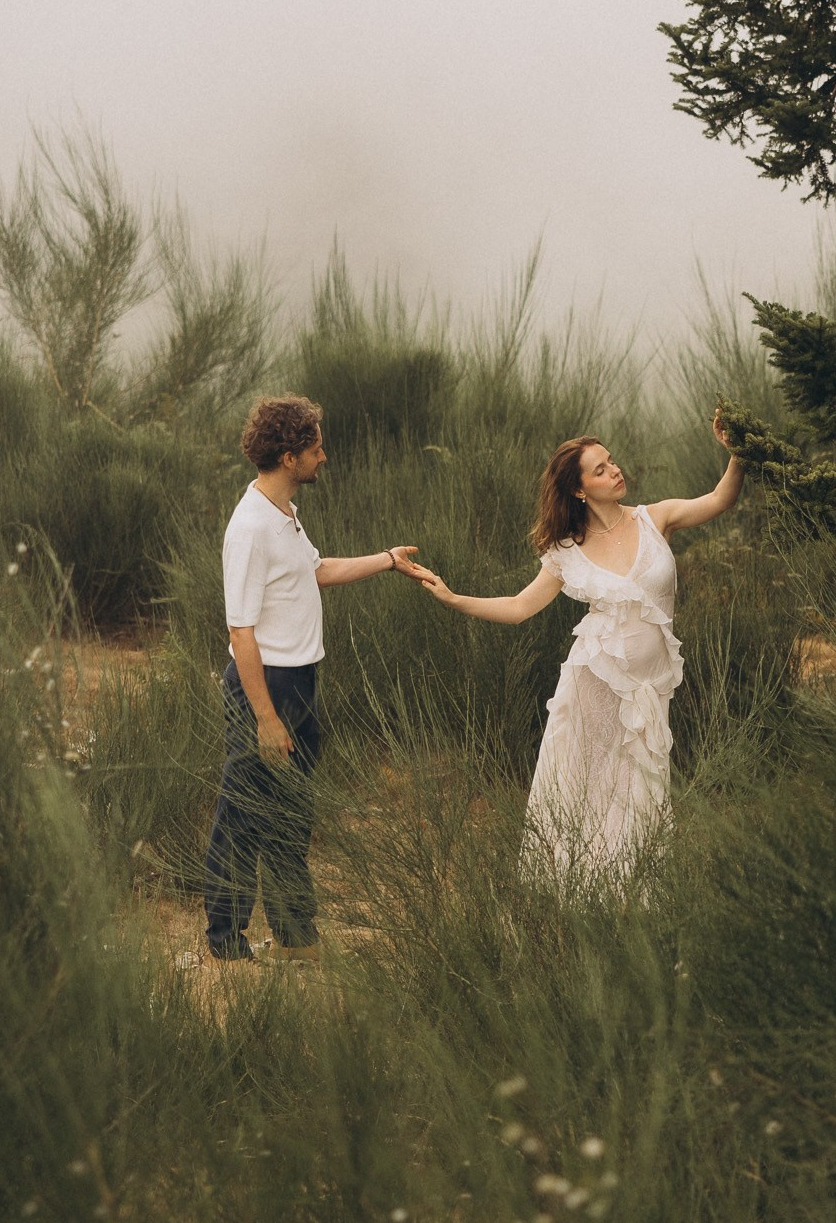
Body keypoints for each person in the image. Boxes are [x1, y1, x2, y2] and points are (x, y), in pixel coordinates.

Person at [401, 420, 741, 880]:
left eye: (612, 462)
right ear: (580, 490)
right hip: (591, 689)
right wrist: (452, 597)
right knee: (587, 794)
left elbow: (720, 499)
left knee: (640, 791)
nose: (615, 471)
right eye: (600, 470)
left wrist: (738, 453)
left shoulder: (654, 517)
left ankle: (635, 895)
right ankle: (583, 900)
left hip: (648, 688)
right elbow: (520, 607)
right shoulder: (566, 551)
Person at [203, 392, 414, 964]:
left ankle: (297, 936)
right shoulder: (249, 527)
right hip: (263, 688)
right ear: (290, 454)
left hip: (299, 684)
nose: (325, 458)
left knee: (291, 814)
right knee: (243, 813)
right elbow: (241, 632)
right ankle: (224, 944)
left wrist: (388, 560)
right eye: (317, 450)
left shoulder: (285, 515)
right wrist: (266, 719)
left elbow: (316, 571)